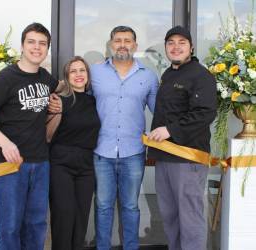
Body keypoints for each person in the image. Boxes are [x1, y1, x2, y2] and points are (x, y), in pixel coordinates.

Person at [0, 23, 57, 250]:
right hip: (10, 164)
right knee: (9, 227)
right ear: (22, 45)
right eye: (31, 42)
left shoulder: (45, 78)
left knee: (37, 224)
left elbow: (62, 90)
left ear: (47, 49)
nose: (36, 48)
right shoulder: (5, 79)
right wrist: (5, 143)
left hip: (40, 162)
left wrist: (61, 99)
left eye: (42, 44)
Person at [147, 26, 217, 250]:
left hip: (187, 159)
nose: (175, 47)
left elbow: (205, 113)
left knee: (190, 218)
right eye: (171, 43)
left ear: (191, 47)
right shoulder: (168, 74)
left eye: (181, 43)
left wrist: (170, 130)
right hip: (164, 157)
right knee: (170, 217)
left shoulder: (201, 75)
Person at [90, 26, 159, 250]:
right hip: (101, 150)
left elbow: (160, 111)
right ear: (110, 45)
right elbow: (81, 105)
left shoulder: (148, 76)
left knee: (130, 206)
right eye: (118, 40)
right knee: (102, 206)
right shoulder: (95, 73)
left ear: (135, 46)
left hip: (133, 152)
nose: (122, 44)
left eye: (127, 40)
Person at [47, 56, 100, 250]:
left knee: (81, 219)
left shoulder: (94, 101)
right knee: (64, 217)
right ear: (67, 77)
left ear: (88, 75)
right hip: (61, 163)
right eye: (73, 71)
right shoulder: (59, 100)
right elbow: (47, 134)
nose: (78, 75)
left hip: (86, 165)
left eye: (82, 70)